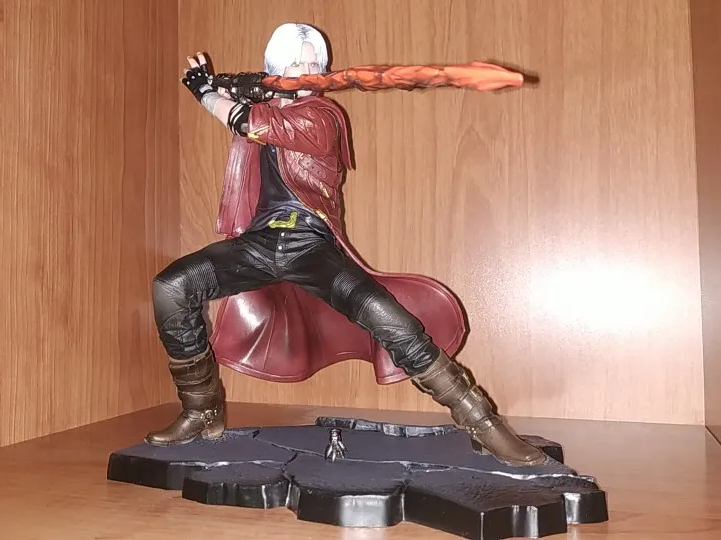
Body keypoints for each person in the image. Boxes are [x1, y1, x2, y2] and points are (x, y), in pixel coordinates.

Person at [146, 22, 547, 466]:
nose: (305, 71)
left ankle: (482, 423)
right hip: (258, 244)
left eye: (312, 63)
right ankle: (201, 411)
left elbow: (249, 122)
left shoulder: (321, 116)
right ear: (275, 68)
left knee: (389, 319)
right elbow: (248, 108)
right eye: (294, 63)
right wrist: (222, 85)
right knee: (172, 287)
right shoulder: (267, 103)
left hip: (310, 246)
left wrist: (207, 93)